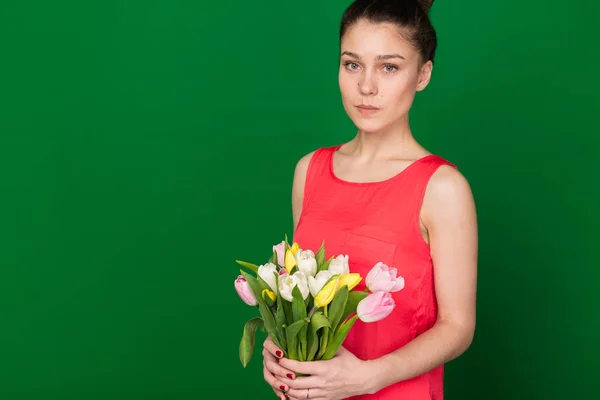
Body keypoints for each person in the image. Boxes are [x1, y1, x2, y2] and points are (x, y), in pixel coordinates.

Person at [261, 0, 478, 399]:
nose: (367, 87)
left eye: (389, 67)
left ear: (423, 74)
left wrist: (368, 377)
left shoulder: (442, 187)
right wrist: (280, 347)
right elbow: (303, 295)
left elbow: (458, 326)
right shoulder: (309, 170)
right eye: (352, 64)